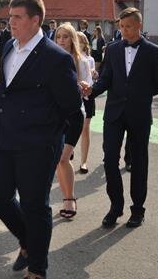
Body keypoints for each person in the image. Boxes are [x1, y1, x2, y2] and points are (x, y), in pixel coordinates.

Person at [0, 0, 83, 279]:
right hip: (3, 137)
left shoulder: (56, 59)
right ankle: (29, 241)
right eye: (10, 17)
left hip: (38, 146)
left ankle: (38, 269)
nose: (11, 22)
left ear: (35, 20)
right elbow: (3, 88)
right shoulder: (8, 47)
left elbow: (73, 109)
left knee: (34, 205)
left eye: (17, 17)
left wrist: (68, 146)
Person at [80, 7, 158, 229]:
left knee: (138, 162)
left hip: (139, 114)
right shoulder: (113, 49)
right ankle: (115, 206)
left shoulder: (153, 51)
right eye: (121, 26)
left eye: (128, 26)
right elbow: (106, 78)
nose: (124, 30)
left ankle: (137, 209)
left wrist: (141, 94)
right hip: (114, 114)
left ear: (139, 25)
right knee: (110, 159)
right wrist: (92, 90)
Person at [53, 23, 87, 220]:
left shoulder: (80, 62)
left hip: (74, 115)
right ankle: (67, 197)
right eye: (59, 37)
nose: (61, 40)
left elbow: (88, 88)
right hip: (55, 116)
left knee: (63, 158)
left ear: (72, 39)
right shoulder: (51, 60)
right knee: (59, 159)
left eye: (65, 37)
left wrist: (82, 86)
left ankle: (69, 198)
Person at [75, 31, 97, 175]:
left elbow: (93, 78)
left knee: (85, 128)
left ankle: (83, 161)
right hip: (73, 96)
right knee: (68, 127)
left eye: (80, 41)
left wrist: (94, 74)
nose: (78, 44)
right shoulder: (68, 57)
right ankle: (68, 151)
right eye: (76, 41)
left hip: (87, 95)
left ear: (85, 44)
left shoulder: (90, 59)